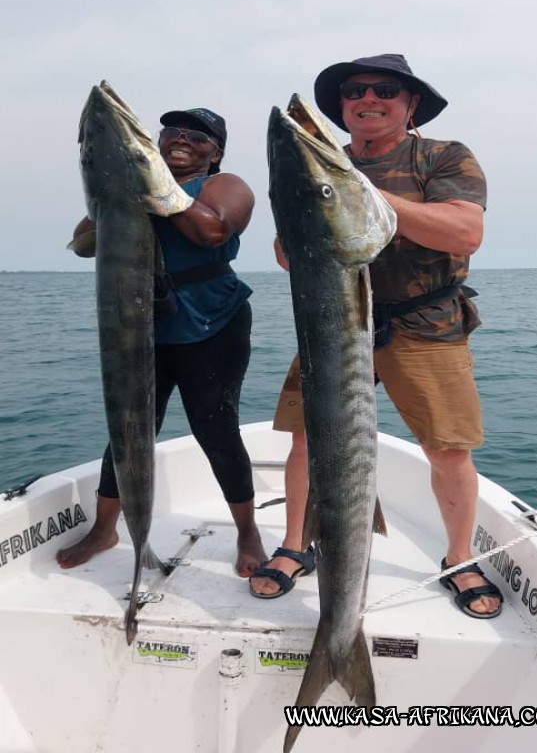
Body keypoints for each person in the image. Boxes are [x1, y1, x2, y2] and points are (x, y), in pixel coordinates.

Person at [250, 54, 504, 618]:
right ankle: (296, 545)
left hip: (425, 325)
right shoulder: (324, 166)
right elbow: (287, 255)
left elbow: (466, 231)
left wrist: (355, 195)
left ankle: (458, 558)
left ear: (410, 103)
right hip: (332, 322)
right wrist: (319, 202)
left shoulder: (440, 157)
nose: (369, 97)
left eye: (385, 89)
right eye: (355, 91)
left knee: (446, 449)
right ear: (342, 108)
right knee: (306, 440)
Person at [57, 106, 267, 577]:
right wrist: (111, 196)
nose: (182, 139)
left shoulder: (224, 185)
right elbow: (85, 243)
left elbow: (211, 229)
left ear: (217, 152)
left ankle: (247, 530)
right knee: (128, 427)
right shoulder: (132, 188)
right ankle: (105, 528)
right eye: (173, 130)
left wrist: (153, 183)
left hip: (213, 322)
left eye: (198, 136)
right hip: (142, 325)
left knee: (216, 429)